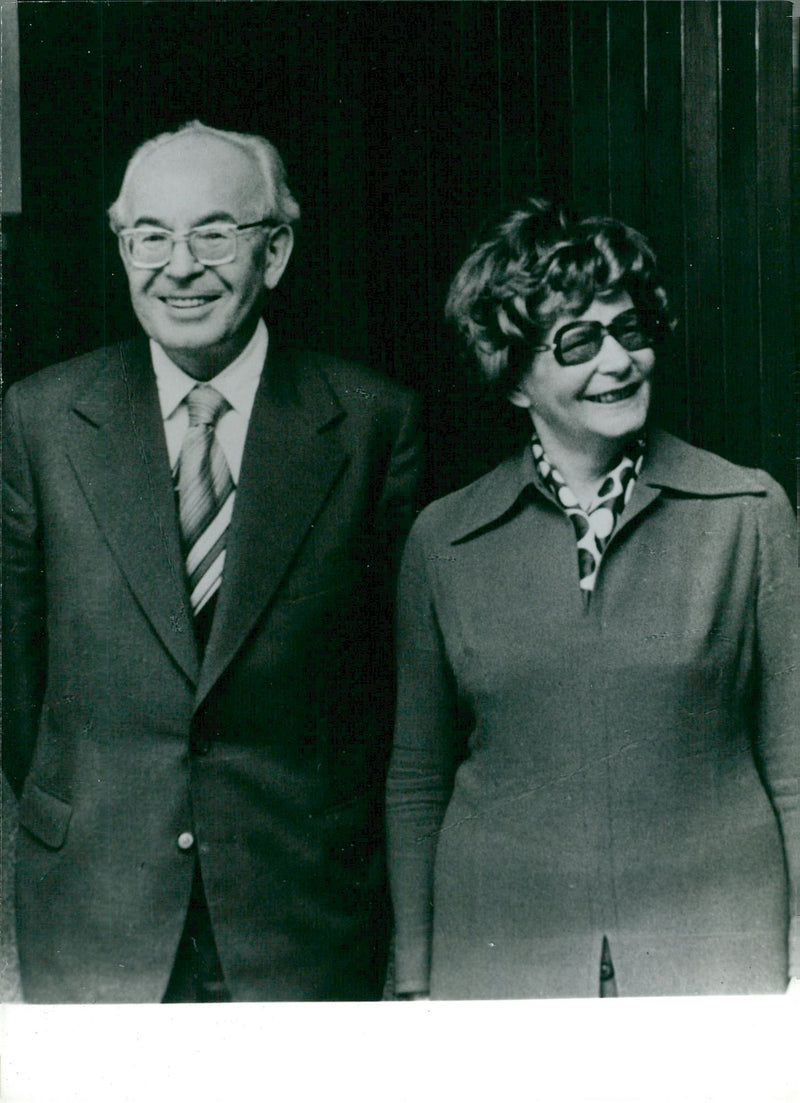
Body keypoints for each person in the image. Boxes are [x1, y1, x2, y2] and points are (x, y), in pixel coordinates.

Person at [2, 120, 423, 1003]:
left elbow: (390, 686)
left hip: (301, 907)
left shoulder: (373, 421)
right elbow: (17, 675)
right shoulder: (40, 419)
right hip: (96, 904)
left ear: (274, 253)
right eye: (150, 235)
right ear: (123, 250)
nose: (179, 264)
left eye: (215, 233)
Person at [385, 198, 798, 999]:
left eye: (632, 331)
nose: (618, 362)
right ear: (513, 378)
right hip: (501, 955)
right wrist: (414, 975)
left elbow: (795, 762)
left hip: (717, 950)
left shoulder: (749, 513)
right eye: (578, 341)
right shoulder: (444, 539)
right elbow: (416, 779)